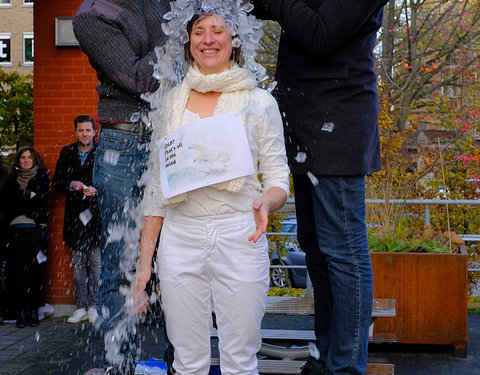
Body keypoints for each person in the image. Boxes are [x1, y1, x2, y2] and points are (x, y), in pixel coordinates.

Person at [132, 8, 290, 375]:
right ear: (188, 42)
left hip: (240, 234)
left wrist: (268, 199)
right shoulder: (170, 102)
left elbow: (279, 179)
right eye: (199, 31)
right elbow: (158, 187)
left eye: (218, 30)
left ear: (234, 41)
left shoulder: (259, 102)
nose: (208, 39)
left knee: (239, 361)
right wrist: (144, 265)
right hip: (180, 237)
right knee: (187, 362)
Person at [251, 1, 388, 374]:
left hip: (337, 124)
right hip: (301, 118)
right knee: (315, 249)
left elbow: (319, 34)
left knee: (343, 254)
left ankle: (344, 367)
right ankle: (326, 355)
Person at [73, 0, 170, 373]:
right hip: (125, 146)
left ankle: (182, 364)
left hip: (174, 138)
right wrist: (181, 36)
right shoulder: (92, 14)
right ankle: (120, 365)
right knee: (118, 268)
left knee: (180, 262)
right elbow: (138, 79)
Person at [52, 115, 101, 324]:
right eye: (80, 130)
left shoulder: (101, 151)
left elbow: (109, 180)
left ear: (94, 131)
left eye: (88, 130)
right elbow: (57, 181)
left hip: (96, 215)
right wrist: (72, 183)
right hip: (74, 216)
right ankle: (80, 307)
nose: (84, 134)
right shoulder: (67, 152)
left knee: (97, 264)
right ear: (76, 132)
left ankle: (94, 307)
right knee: (79, 263)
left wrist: (98, 189)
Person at [0, 146, 49, 328]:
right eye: (22, 158)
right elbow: (7, 200)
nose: (26, 160)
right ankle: (21, 312)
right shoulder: (12, 179)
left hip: (36, 230)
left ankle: (33, 311)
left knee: (36, 270)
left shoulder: (42, 177)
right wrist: (28, 196)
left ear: (34, 160)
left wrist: (21, 199)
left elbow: (42, 199)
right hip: (16, 231)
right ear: (18, 160)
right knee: (18, 272)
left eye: (29, 157)